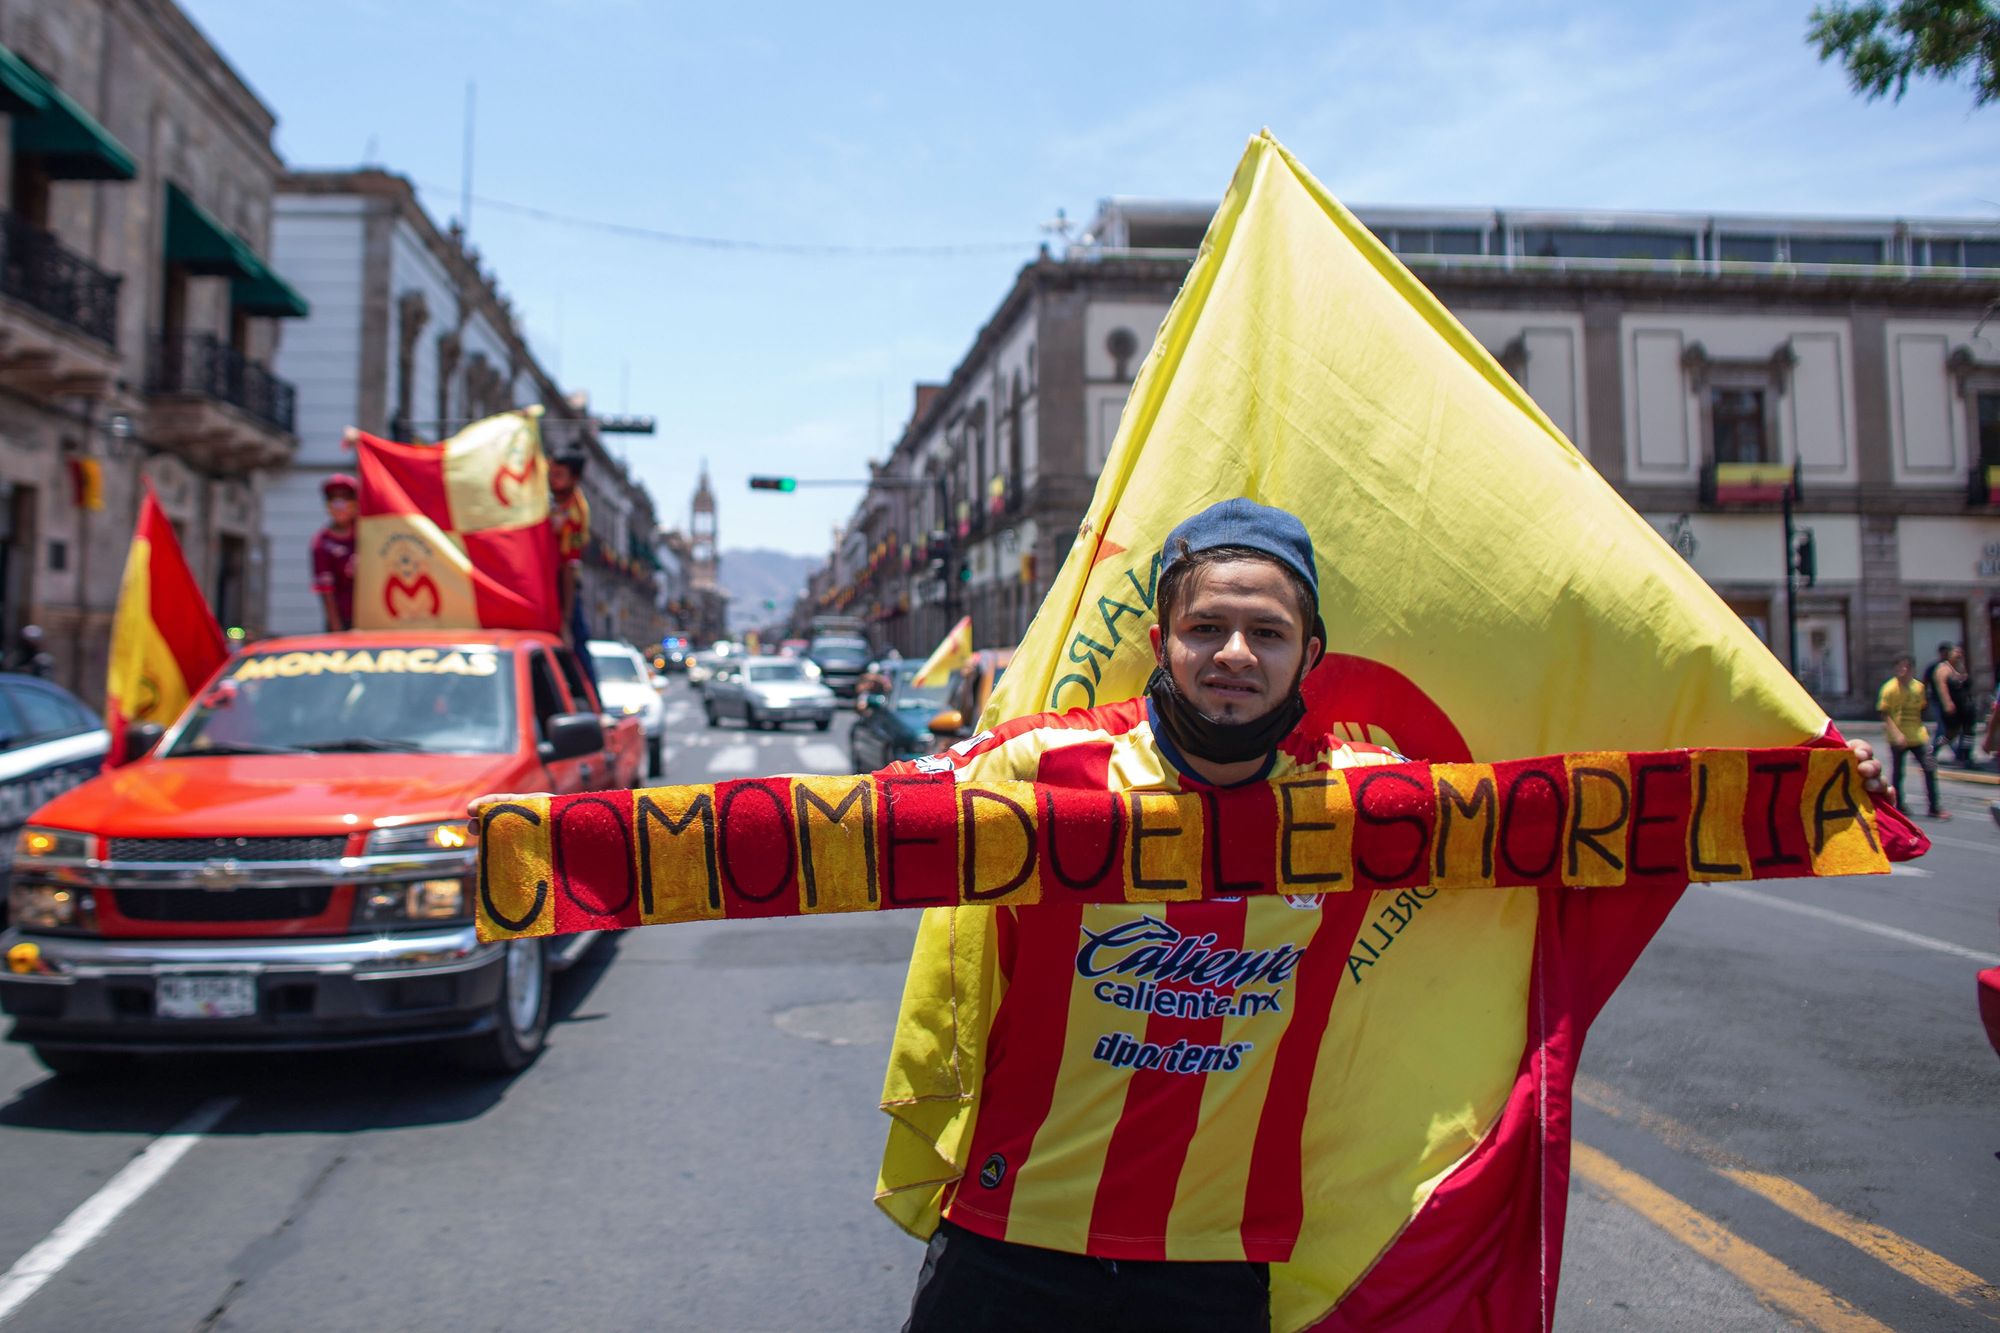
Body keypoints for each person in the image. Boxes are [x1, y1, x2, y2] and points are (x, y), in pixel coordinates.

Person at [470, 497, 1891, 1333]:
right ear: (1163, 634)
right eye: (1207, 624)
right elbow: (826, 832)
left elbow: (1595, 812)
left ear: (1309, 658)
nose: (1230, 654)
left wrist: (1814, 780)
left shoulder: (1377, 802)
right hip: (1010, 1255)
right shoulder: (1036, 772)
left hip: (1219, 1274)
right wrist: (542, 853)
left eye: (1265, 633)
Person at [548, 448, 600, 699]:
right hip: (542, 574)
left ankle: (592, 701)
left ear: (574, 479)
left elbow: (569, 569)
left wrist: (566, 621)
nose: (551, 479)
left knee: (577, 644)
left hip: (561, 583)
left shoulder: (576, 514)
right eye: (551, 473)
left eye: (558, 475)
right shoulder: (546, 495)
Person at [1879, 654, 1946, 820]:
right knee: (1898, 772)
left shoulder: (1919, 688)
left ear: (1911, 669)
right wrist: (1896, 734)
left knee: (1929, 768)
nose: (1902, 671)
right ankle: (1898, 805)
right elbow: (1885, 714)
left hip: (1917, 735)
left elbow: (1921, 709)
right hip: (1898, 737)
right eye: (1899, 668)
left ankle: (1934, 806)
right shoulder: (1889, 689)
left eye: (1906, 668)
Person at [311, 474, 359, 632]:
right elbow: (326, 592)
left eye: (346, 498)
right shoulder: (323, 542)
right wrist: (337, 630)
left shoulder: (368, 533)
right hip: (344, 620)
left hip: (374, 616)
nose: (340, 505)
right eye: (334, 499)